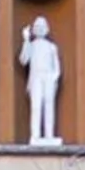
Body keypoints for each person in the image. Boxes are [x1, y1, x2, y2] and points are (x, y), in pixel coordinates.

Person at [22, 15, 62, 145]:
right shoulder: (31, 45)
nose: (40, 29)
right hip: (36, 78)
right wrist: (26, 40)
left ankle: (49, 135)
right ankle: (36, 135)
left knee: (49, 106)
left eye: (42, 26)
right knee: (36, 106)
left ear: (47, 29)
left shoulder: (52, 47)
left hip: (48, 77)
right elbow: (23, 60)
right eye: (37, 27)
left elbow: (56, 65)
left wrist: (54, 77)